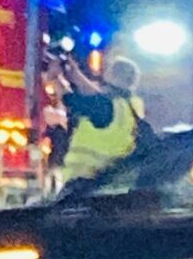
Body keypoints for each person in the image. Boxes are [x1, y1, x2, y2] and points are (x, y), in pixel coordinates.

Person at [60, 53, 147, 185]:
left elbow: (70, 99)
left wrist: (56, 78)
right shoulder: (130, 106)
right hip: (113, 184)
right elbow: (94, 93)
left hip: (83, 183)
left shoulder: (105, 105)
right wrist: (75, 74)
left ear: (112, 75)